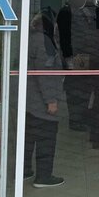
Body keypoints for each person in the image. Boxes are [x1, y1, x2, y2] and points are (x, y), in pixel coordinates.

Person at [56, 0, 99, 133]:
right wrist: (68, 58)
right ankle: (75, 120)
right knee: (77, 89)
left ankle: (80, 117)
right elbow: (64, 38)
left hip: (84, 54)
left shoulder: (84, 10)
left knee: (83, 88)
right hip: (75, 55)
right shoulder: (66, 13)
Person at [24, 13, 65, 187]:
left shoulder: (30, 39)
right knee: (46, 137)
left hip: (29, 99)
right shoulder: (44, 43)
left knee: (28, 137)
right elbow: (45, 73)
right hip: (40, 101)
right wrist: (51, 100)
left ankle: (24, 170)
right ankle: (43, 176)